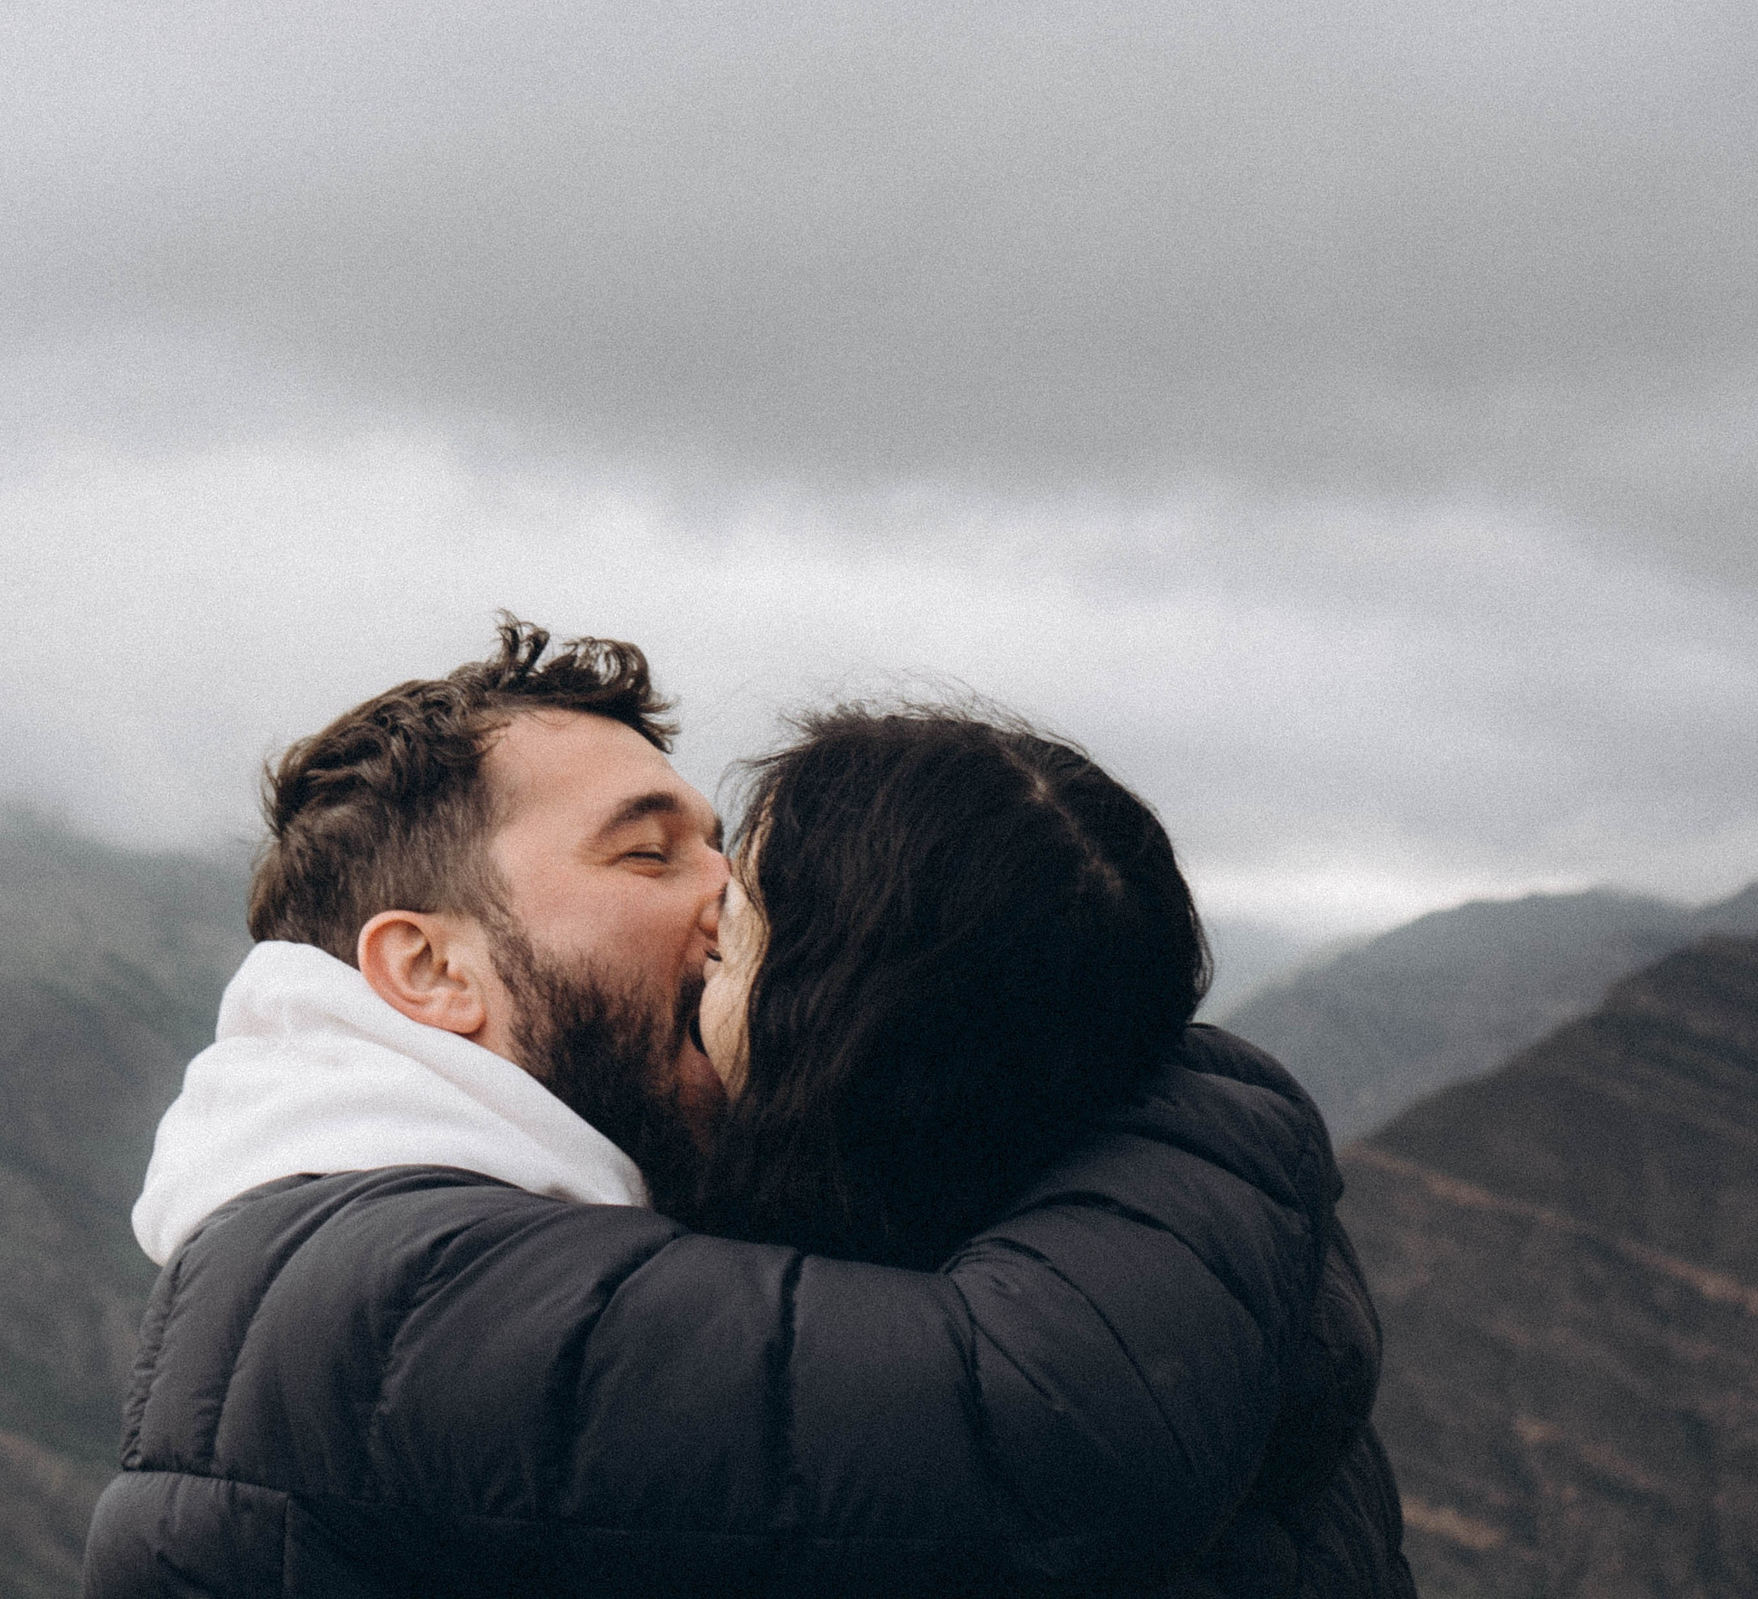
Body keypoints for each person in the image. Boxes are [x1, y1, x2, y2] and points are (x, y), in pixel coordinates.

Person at [86, 619, 1349, 1597]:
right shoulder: (386, 1295)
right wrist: (1161, 1070)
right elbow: (1048, 1427)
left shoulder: (520, 1222)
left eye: (717, 841)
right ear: (430, 971)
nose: (733, 889)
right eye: (648, 852)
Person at [694, 705, 1414, 1596]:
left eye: (740, 917)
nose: (704, 931)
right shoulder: (1195, 1293)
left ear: (837, 1021)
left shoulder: (929, 1428)